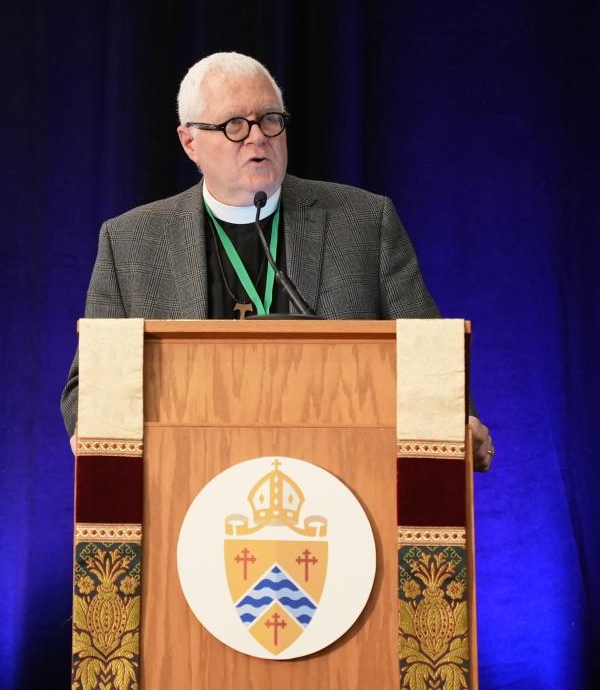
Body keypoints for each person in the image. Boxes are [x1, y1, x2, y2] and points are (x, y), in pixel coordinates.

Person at [60, 52, 493, 470]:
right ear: (190, 142)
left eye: (269, 119)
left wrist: (459, 422)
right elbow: (87, 388)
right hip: (188, 482)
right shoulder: (132, 241)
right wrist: (95, 428)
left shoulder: (362, 222)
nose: (257, 137)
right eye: (234, 125)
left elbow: (428, 358)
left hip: (339, 481)